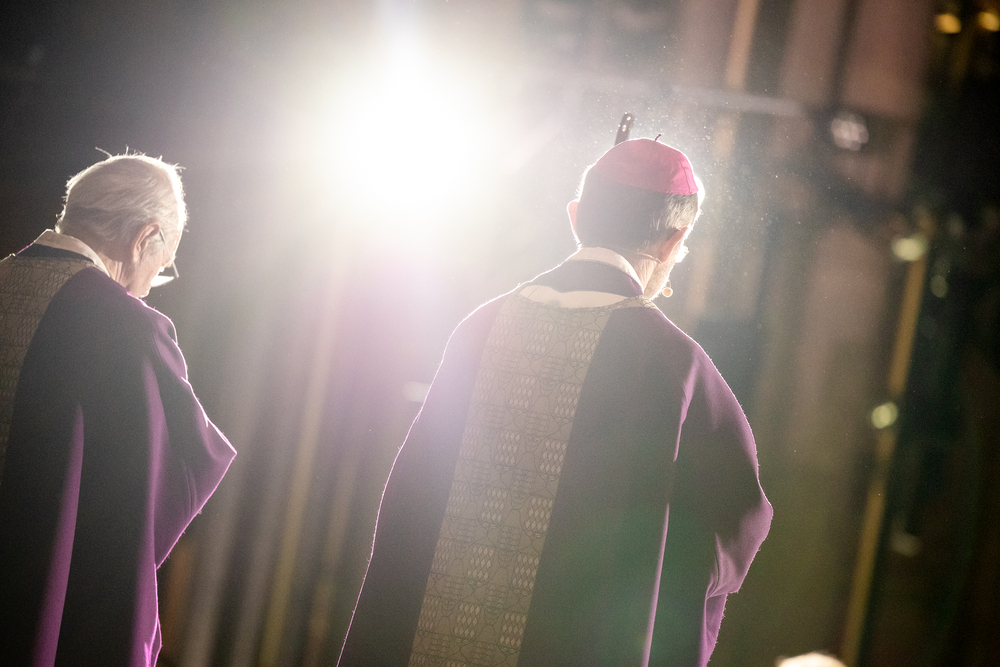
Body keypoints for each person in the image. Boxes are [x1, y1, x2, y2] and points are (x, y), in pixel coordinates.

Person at [338, 138, 772, 667]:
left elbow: (411, 505)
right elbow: (732, 523)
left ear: (576, 217)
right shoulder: (671, 364)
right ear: (672, 241)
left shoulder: (480, 328)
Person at [0, 154, 236, 667]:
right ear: (143, 237)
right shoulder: (126, 328)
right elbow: (131, 519)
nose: (148, 286)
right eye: (161, 266)